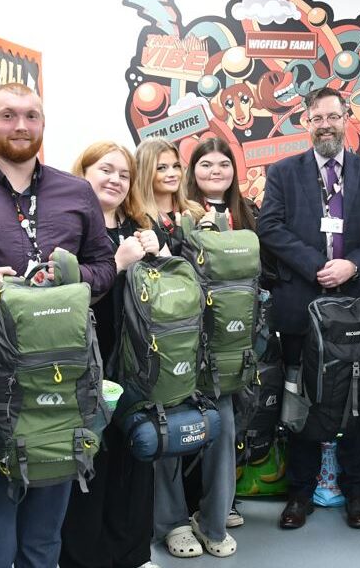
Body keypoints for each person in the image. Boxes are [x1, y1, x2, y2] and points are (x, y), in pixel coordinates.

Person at [0, 82, 116, 568]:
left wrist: (72, 277)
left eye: (31, 116)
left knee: (44, 534)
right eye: (8, 116)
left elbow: (104, 265)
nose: (21, 126)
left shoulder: (76, 192)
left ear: (43, 124)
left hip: (63, 371)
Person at [258, 86, 360, 530]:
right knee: (301, 401)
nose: (327, 124)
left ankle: (355, 491)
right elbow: (269, 227)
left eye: (334, 116)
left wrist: (352, 265)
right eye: (318, 118)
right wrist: (319, 267)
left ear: (347, 117)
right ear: (305, 123)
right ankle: (300, 492)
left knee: (355, 400)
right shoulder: (282, 173)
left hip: (355, 306)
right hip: (301, 307)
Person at [59, 140, 162, 568]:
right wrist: (116, 263)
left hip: (138, 359)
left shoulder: (142, 225)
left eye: (124, 173)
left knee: (136, 456)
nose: (116, 180)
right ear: (83, 172)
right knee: (90, 460)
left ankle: (134, 554)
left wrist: (163, 252)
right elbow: (63, 295)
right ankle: (85, 558)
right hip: (87, 360)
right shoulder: (69, 228)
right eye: (106, 169)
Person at [152, 137, 254, 559]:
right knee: (168, 433)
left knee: (224, 429)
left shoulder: (231, 214)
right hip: (172, 342)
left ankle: (211, 519)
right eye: (203, 163)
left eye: (223, 163)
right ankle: (172, 521)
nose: (214, 171)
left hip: (221, 346)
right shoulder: (164, 217)